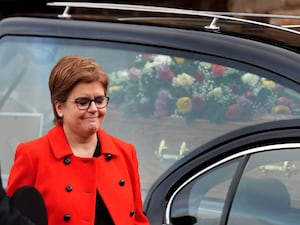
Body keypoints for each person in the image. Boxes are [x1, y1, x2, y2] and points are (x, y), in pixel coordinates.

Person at [6, 55, 150, 225]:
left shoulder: (125, 152)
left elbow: (138, 221)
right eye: (83, 102)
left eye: (99, 100)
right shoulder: (32, 155)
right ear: (59, 107)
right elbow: (11, 219)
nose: (94, 109)